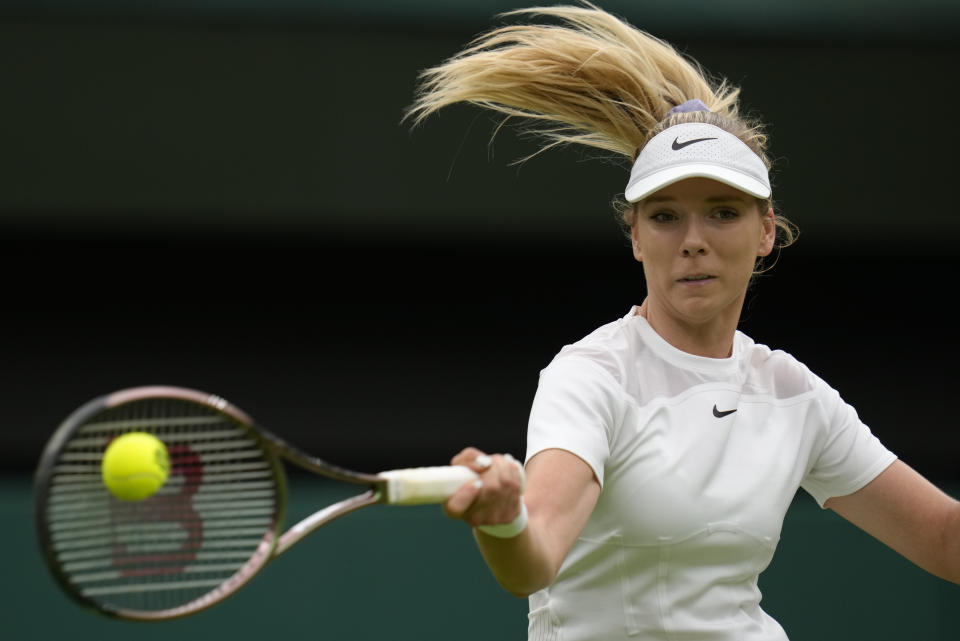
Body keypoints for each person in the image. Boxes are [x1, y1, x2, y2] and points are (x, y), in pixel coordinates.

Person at [404, 4, 960, 640]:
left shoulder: (791, 393)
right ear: (635, 236)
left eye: (722, 213)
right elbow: (533, 561)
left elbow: (945, 540)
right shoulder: (590, 377)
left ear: (766, 232)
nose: (693, 240)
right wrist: (505, 520)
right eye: (666, 217)